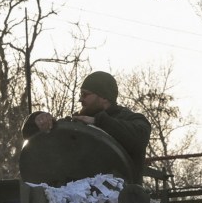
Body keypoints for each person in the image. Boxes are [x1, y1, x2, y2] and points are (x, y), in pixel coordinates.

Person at [21, 71, 152, 182]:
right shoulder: (76, 122)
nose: (80, 100)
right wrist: (38, 120)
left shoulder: (131, 119)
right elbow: (32, 135)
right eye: (80, 94)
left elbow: (139, 137)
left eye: (85, 94)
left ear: (104, 97)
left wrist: (99, 122)